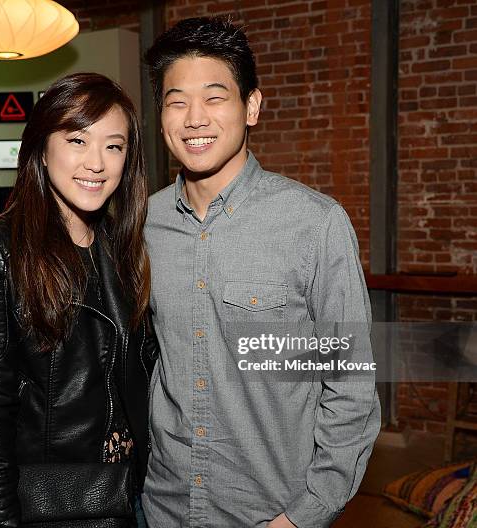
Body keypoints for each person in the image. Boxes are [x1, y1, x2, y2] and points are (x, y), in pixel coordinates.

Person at [142, 17, 381, 528]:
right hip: (163, 505)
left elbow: (350, 386)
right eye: (176, 101)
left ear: (251, 106)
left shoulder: (313, 224)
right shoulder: (143, 225)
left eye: (214, 97)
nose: (194, 119)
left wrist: (307, 513)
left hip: (270, 513)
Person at [0, 73, 153, 528]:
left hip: (130, 493)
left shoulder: (123, 247)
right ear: (43, 148)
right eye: (77, 140)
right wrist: (3, 520)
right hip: (51, 504)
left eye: (114, 146)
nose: (96, 163)